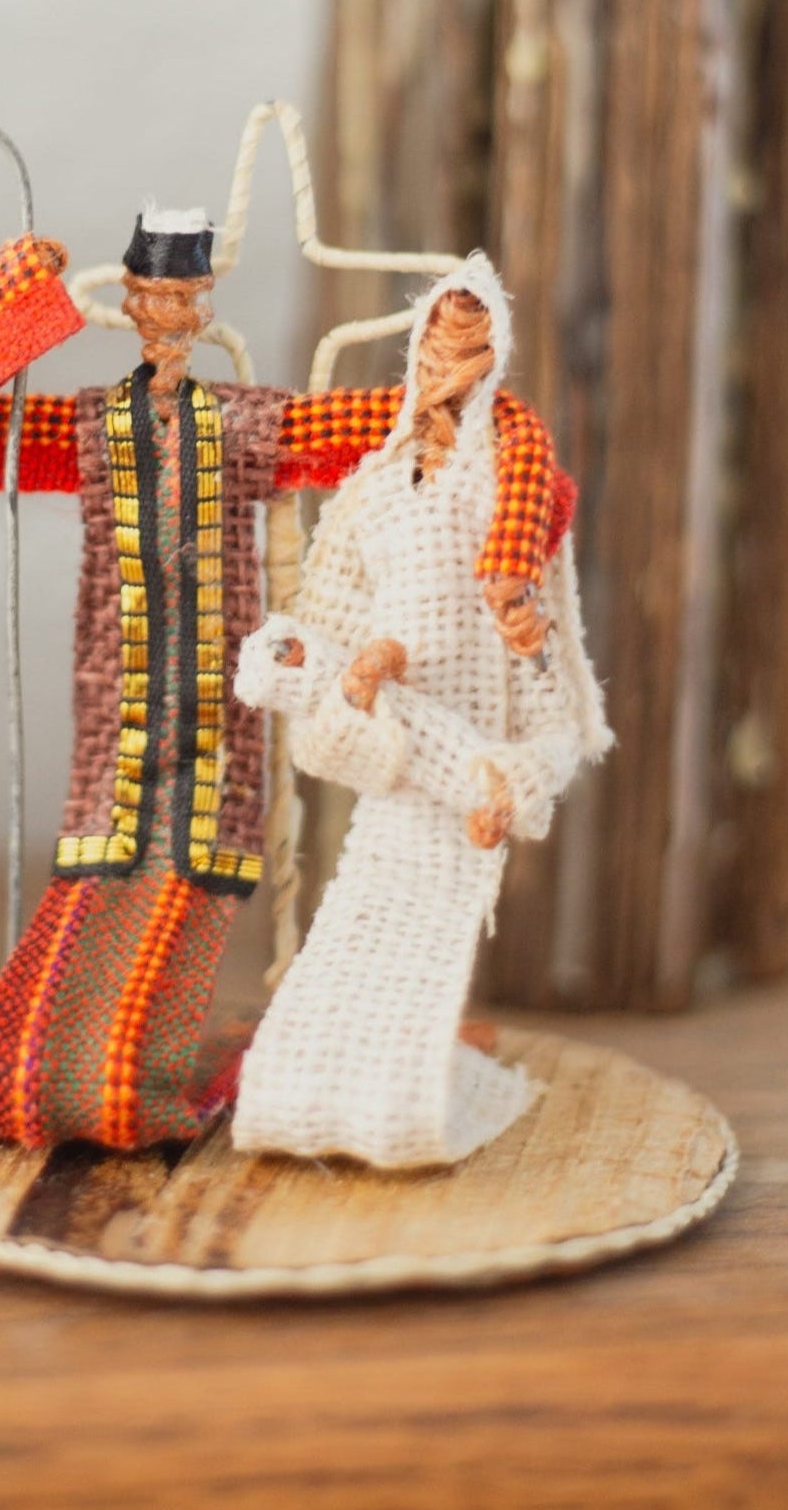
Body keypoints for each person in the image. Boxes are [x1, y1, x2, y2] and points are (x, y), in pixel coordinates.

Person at [0, 216, 580, 1152]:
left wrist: (514, 551)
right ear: (131, 303)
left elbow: (484, 428)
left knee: (120, 1032)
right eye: (152, 300)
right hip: (106, 779)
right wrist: (12, 308)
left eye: (184, 301)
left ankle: (162, 1094)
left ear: (200, 308)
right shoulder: (89, 429)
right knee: (37, 1038)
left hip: (210, 776)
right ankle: (77, 1096)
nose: (167, 318)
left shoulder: (243, 426)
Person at [232, 253, 611, 1169]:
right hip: (395, 806)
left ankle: (399, 1107)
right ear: (414, 357)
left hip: (466, 807)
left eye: (468, 356)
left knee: (406, 1013)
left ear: (493, 360)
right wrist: (349, 686)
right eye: (434, 354)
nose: (446, 377)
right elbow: (324, 728)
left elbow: (557, 717)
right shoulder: (368, 495)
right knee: (334, 988)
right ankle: (306, 1099)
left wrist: (510, 780)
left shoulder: (517, 495)